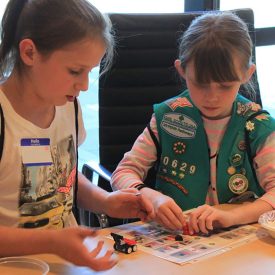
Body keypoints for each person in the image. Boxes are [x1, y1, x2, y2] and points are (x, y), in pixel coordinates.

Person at [0, 0, 154, 272]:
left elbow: (62, 175)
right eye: (74, 71)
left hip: (63, 263)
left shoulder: (67, 106)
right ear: (29, 53)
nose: (83, 85)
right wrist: (51, 242)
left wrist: (103, 201)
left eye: (89, 72)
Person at [111, 11, 275, 235]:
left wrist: (230, 216)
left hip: (236, 239)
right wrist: (150, 196)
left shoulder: (258, 126)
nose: (212, 97)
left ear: (248, 74)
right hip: (177, 234)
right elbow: (124, 172)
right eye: (200, 83)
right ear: (182, 70)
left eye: (225, 85)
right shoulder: (168, 118)